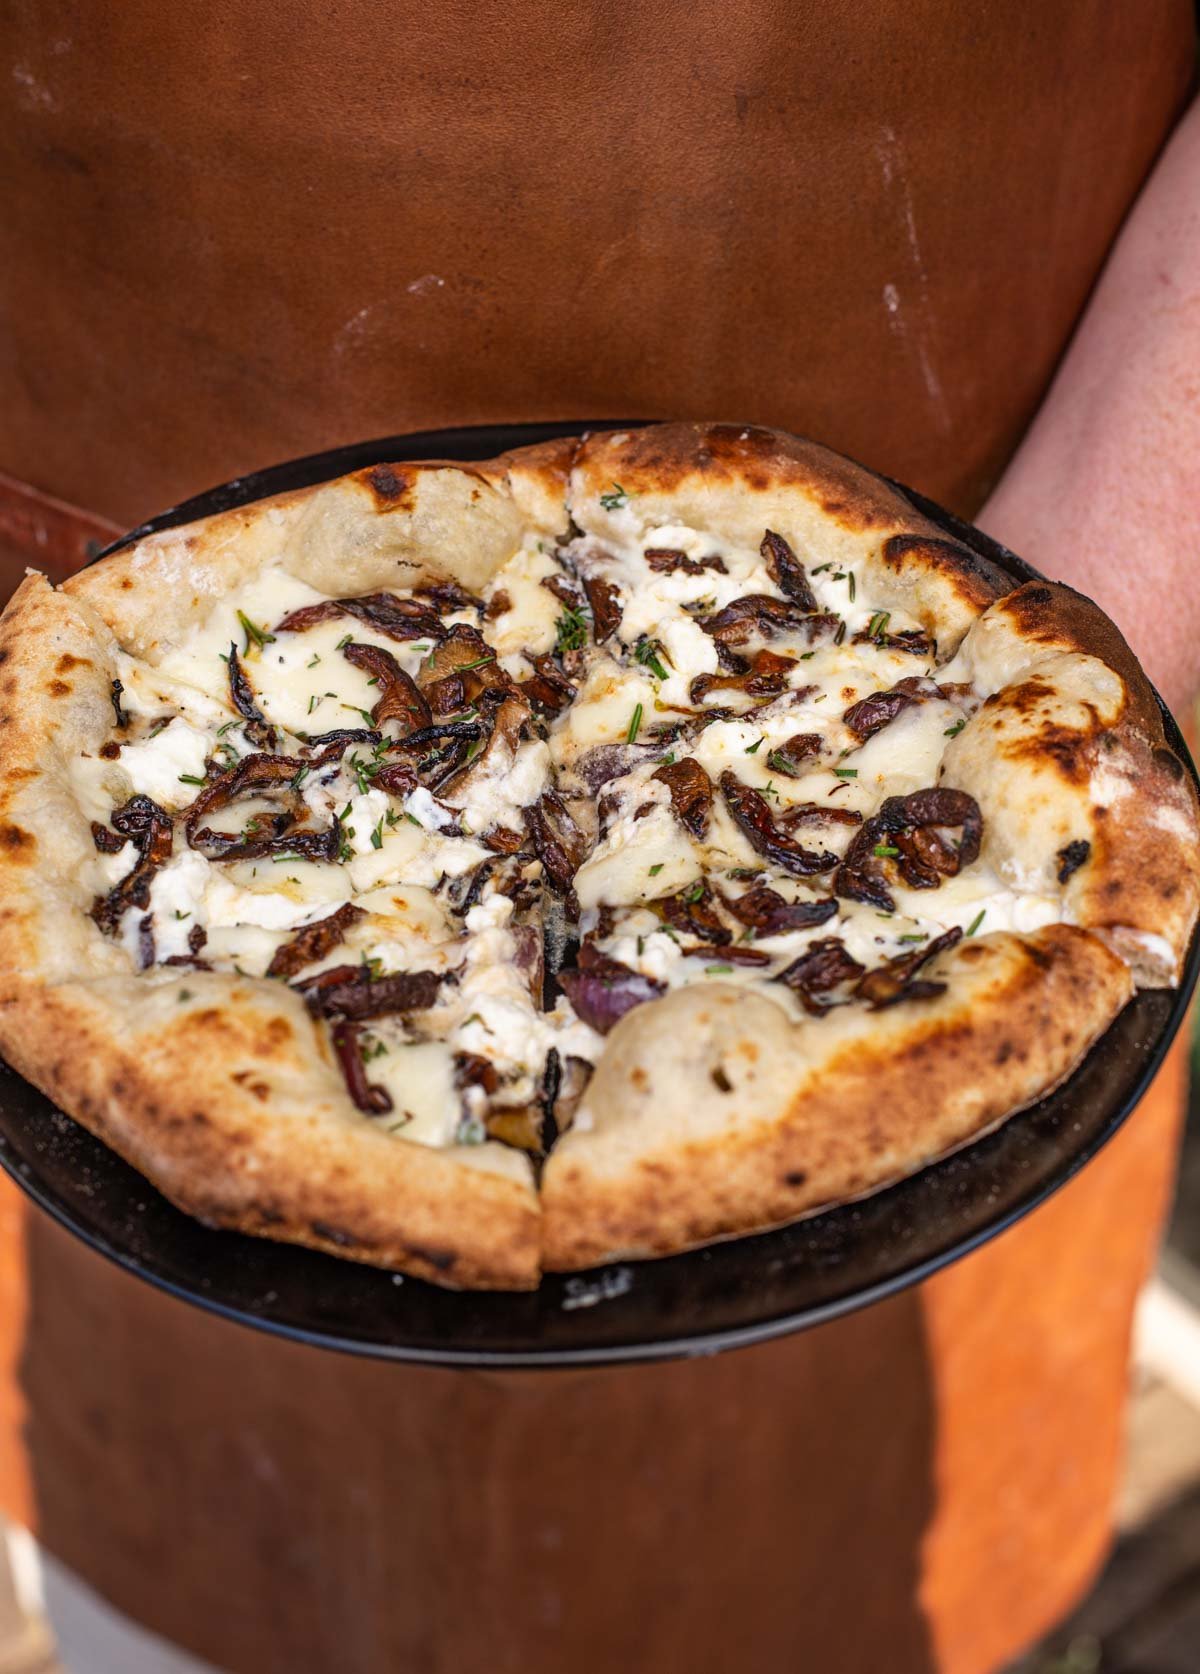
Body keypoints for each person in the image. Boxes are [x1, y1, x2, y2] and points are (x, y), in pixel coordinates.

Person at [0, 6, 1197, 1670]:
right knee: (219, 1595)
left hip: (999, 513)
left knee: (851, 1583)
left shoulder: (1012, 762)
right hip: (131, 586)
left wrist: (1096, 629)